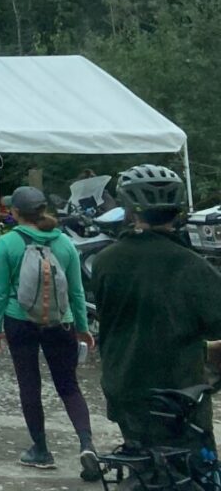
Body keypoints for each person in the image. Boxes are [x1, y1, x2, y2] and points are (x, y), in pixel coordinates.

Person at [88, 164, 221, 473]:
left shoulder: (106, 261)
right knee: (194, 472)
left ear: (129, 211)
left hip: (124, 386)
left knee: (146, 465)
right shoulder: (190, 264)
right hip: (179, 393)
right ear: (177, 212)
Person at [0, 185, 94, 471]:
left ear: (15, 212)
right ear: (43, 210)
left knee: (29, 385)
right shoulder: (65, 242)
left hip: (19, 321)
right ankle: (87, 445)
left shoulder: (7, 243)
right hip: (61, 322)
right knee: (69, 385)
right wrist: (82, 327)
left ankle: (41, 450)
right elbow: (77, 292)